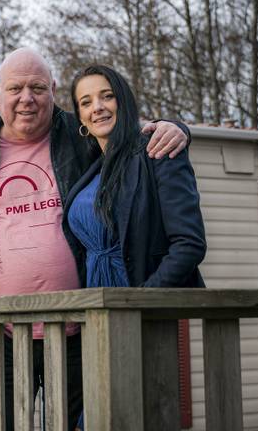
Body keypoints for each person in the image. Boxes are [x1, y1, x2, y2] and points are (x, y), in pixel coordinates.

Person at [0, 48, 190, 430]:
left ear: (52, 90)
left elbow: (130, 134)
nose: (27, 98)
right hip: (0, 335)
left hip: (77, 330)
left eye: (37, 87)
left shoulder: (80, 132)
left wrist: (175, 126)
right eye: (15, 88)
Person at [66, 64, 206, 430]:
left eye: (106, 95)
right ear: (79, 116)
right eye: (86, 101)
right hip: (91, 318)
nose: (97, 106)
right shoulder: (90, 169)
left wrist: (141, 301)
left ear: (123, 101)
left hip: (140, 314)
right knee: (93, 416)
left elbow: (189, 244)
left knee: (137, 416)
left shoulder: (156, 149)